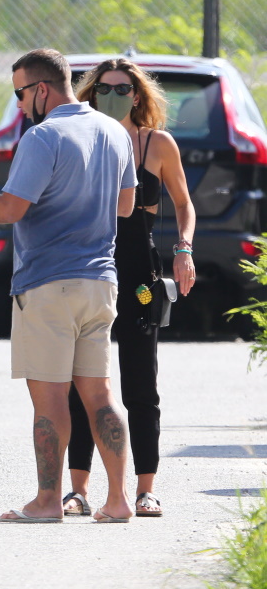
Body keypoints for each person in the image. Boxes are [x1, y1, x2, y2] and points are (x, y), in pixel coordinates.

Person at [0, 48, 137, 523]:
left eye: (21, 94)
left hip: (48, 285)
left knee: (49, 401)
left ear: (41, 89)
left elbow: (10, 209)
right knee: (102, 395)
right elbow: (126, 207)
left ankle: (48, 501)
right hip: (100, 283)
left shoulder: (43, 137)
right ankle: (118, 500)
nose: (22, 105)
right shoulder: (114, 132)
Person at [62, 59, 196, 519]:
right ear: (91, 93)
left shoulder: (156, 144)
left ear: (138, 95)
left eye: (123, 88)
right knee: (81, 384)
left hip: (138, 283)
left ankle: (145, 489)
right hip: (91, 273)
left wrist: (183, 248)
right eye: (104, 88)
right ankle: (77, 489)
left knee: (141, 382)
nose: (113, 94)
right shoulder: (80, 137)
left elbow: (183, 202)